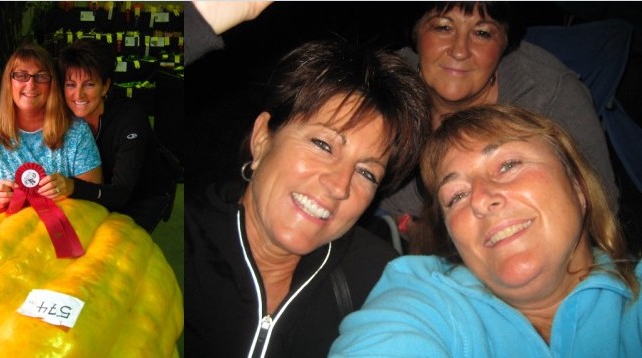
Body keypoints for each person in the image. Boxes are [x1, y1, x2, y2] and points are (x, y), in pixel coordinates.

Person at [185, 39, 431, 358]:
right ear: (262, 139)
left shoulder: (381, 280)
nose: (339, 186)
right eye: (323, 145)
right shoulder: (180, 251)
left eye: (367, 173)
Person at [330, 104, 640, 357]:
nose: (479, 199)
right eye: (456, 196)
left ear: (577, 186)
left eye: (507, 165)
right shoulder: (423, 296)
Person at [379, 2, 619, 224]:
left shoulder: (549, 98)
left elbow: (600, 207)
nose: (460, 51)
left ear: (506, 43)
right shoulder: (383, 88)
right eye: (443, 27)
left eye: (482, 33)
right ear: (416, 33)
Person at [0, 42, 102, 218]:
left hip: (60, 230)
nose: (31, 84)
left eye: (41, 76)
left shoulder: (76, 131)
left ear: (52, 84)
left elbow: (93, 194)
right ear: (9, 82)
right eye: (21, 75)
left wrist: (69, 187)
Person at [57, 38, 176, 232]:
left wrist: (72, 187)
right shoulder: (64, 117)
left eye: (89, 85)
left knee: (117, 243)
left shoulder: (130, 119)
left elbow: (121, 193)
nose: (78, 95)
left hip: (142, 194)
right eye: (71, 85)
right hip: (98, 190)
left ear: (105, 86)